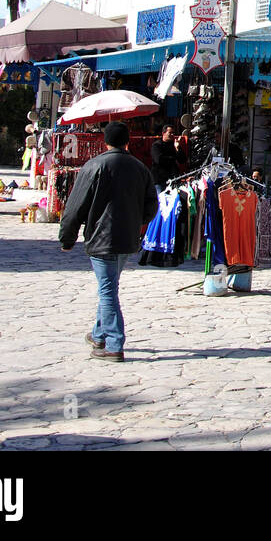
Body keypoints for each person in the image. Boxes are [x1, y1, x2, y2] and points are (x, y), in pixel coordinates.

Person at [58, 121, 158, 362]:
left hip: (102, 238)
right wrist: (136, 221)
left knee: (107, 290)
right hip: (126, 239)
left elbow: (75, 206)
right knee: (109, 286)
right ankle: (98, 334)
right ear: (128, 141)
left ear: (105, 141)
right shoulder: (140, 168)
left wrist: (67, 237)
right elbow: (151, 206)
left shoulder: (94, 166)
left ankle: (114, 343)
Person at [150, 124, 180, 191]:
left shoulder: (174, 145)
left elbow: (182, 159)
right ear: (163, 133)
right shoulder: (157, 145)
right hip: (159, 180)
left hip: (172, 179)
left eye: (173, 133)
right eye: (170, 133)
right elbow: (159, 159)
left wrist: (178, 148)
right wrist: (173, 159)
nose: (172, 135)